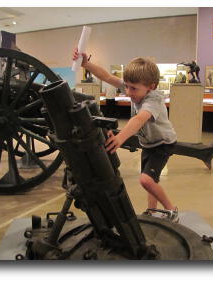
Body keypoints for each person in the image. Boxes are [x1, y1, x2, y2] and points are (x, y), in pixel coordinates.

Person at [73, 49, 179, 222]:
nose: (128, 92)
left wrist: (121, 138)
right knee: (151, 179)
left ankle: (172, 210)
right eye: (127, 86)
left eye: (133, 88)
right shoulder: (135, 87)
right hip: (149, 144)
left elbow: (139, 119)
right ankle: (152, 211)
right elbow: (107, 77)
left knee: (145, 180)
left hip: (162, 144)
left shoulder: (154, 100)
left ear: (151, 87)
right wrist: (86, 64)